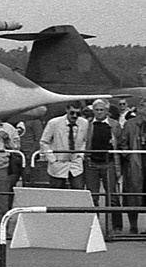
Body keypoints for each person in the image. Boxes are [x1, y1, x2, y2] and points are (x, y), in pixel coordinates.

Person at [82, 98, 123, 235]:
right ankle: (94, 226)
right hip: (91, 163)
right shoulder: (88, 124)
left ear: (107, 111)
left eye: (102, 110)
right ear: (93, 111)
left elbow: (121, 143)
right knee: (93, 196)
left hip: (109, 163)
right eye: (96, 110)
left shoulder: (115, 125)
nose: (99, 112)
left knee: (112, 195)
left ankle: (116, 226)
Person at [39, 104, 87, 189]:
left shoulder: (84, 123)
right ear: (67, 110)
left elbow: (84, 141)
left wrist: (80, 155)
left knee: (78, 190)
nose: (75, 116)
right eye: (72, 113)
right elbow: (44, 142)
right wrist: (52, 159)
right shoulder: (54, 123)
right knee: (57, 191)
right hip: (58, 163)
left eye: (78, 114)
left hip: (75, 163)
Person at [121, 107, 146, 234]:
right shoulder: (130, 124)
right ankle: (133, 226)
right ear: (141, 109)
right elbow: (123, 142)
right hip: (135, 164)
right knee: (132, 195)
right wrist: (129, 155)